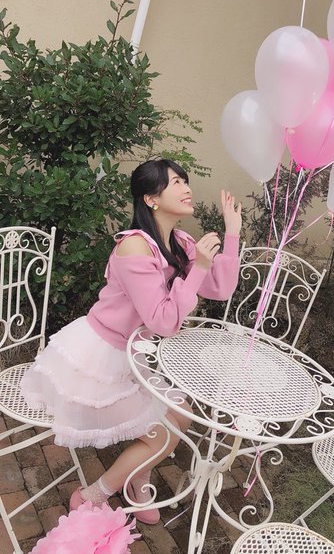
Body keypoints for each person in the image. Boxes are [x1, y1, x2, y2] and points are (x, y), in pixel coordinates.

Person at [20, 158, 242, 524]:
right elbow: (163, 320)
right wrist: (200, 267)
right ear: (151, 199)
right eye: (175, 182)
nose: (186, 188)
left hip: (137, 354)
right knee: (163, 430)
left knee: (180, 415)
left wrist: (231, 234)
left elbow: (221, 288)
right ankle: (92, 495)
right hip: (100, 358)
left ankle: (138, 480)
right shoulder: (134, 248)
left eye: (185, 180)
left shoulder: (179, 241)